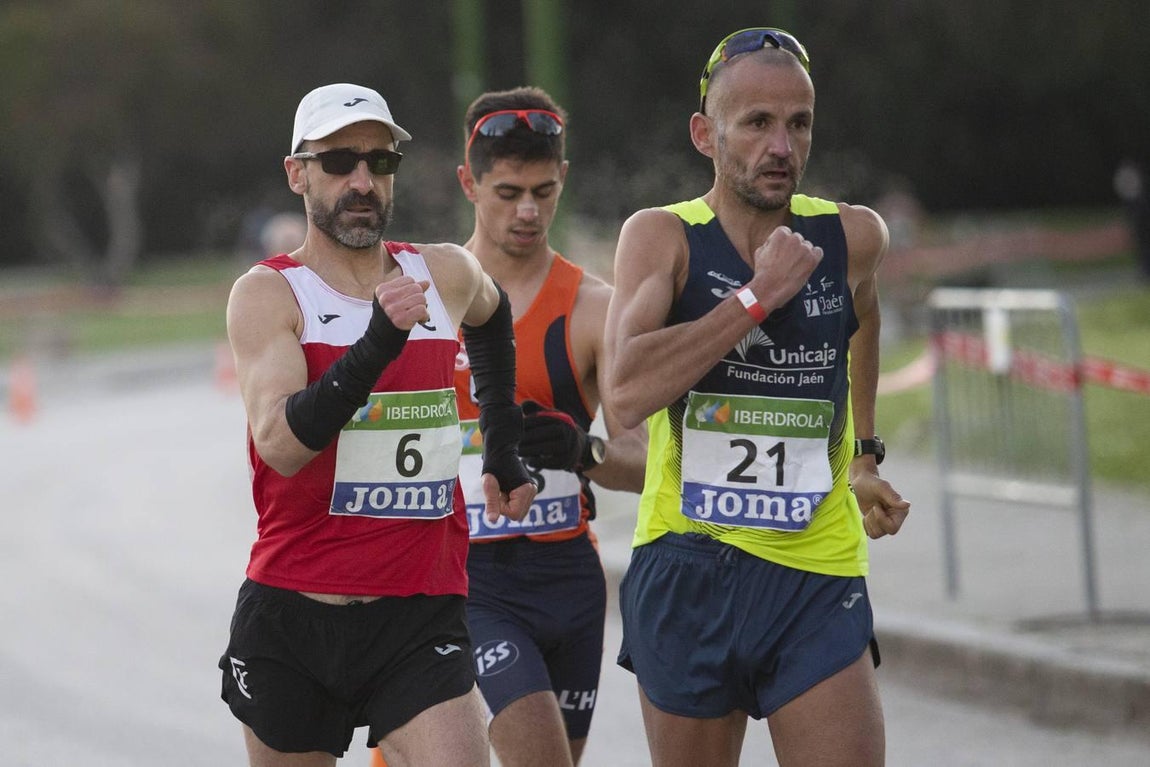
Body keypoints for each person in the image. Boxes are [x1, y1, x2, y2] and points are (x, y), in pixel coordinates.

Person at [602, 29, 911, 767]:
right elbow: (624, 393)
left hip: (815, 569)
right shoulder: (662, 238)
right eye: (758, 123)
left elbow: (860, 313)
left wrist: (864, 452)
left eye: (798, 122)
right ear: (706, 134)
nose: (782, 145)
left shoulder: (851, 235)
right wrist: (755, 297)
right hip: (687, 566)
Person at [217, 82, 536, 767]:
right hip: (296, 612)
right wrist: (375, 345)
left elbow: (492, 312)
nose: (362, 182)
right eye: (338, 163)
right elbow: (280, 445)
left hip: (420, 617)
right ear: (297, 173)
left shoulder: (443, 271)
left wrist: (502, 443)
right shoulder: (270, 293)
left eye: (380, 162)